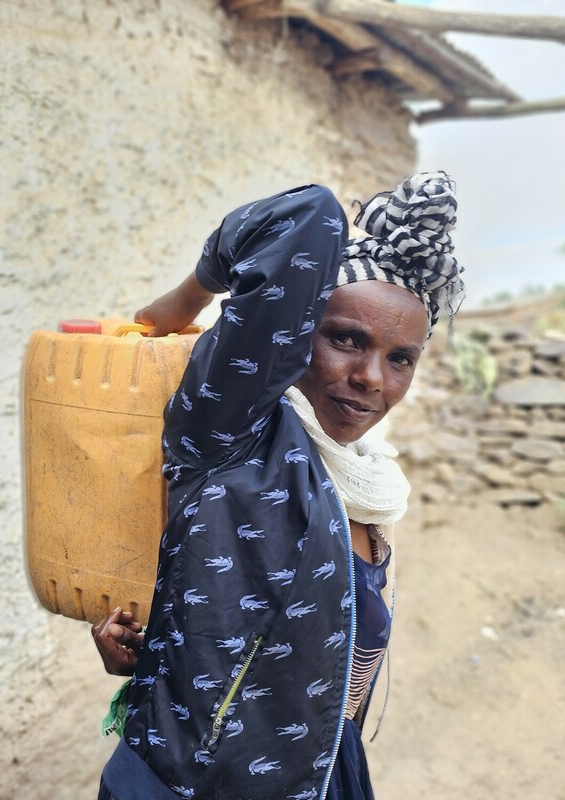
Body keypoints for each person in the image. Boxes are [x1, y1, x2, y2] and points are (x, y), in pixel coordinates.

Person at [92, 172, 463, 800]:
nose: (372, 377)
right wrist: (185, 302)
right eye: (345, 339)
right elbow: (309, 215)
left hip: (321, 771)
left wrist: (154, 647)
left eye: (401, 358)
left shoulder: (367, 481)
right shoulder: (231, 432)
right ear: (290, 339)